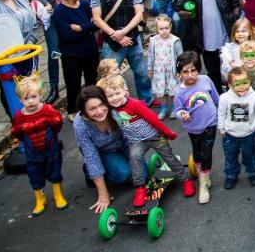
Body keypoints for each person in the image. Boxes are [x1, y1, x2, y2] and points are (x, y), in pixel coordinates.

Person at [97, 74, 194, 207]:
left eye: (117, 93)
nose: (114, 98)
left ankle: (185, 180)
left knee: (168, 157)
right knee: (134, 157)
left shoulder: (134, 105)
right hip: (137, 140)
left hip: (155, 136)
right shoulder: (110, 109)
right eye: (110, 96)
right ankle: (140, 188)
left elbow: (152, 119)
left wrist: (167, 132)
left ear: (125, 91)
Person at [91, 0, 155, 107]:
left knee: (141, 73)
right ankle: (112, 102)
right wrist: (115, 35)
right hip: (111, 41)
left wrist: (123, 32)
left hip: (132, 37)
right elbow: (96, 18)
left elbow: (139, 13)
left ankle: (146, 100)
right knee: (108, 77)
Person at [173, 0, 241, 92]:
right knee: (213, 73)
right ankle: (217, 100)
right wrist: (184, 13)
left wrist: (234, 19)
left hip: (226, 35)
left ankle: (232, 97)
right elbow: (178, 5)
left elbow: (236, 3)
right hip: (205, 38)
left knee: (232, 70)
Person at [11, 74, 67, 215]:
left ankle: (58, 194)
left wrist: (51, 138)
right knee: (35, 175)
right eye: (26, 98)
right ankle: (40, 198)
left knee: (55, 170)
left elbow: (57, 123)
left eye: (34, 97)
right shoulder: (19, 116)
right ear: (20, 100)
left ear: (40, 95)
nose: (30, 101)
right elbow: (16, 132)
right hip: (33, 153)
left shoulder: (47, 111)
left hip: (50, 148)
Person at [73, 86, 130, 213]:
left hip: (121, 144)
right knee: (123, 174)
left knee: (143, 172)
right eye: (92, 109)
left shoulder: (114, 107)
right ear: (84, 111)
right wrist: (104, 196)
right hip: (101, 151)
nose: (99, 111)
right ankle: (89, 173)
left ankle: (117, 163)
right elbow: (91, 157)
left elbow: (132, 127)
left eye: (101, 105)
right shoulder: (80, 124)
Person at [174, 51, 220, 204]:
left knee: (207, 152)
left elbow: (215, 98)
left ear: (198, 70)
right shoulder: (180, 92)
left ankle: (203, 185)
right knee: (197, 153)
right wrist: (183, 114)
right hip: (193, 127)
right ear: (180, 73)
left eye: (193, 70)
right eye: (185, 71)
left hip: (210, 123)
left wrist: (221, 116)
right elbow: (178, 110)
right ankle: (203, 174)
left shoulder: (206, 80)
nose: (190, 74)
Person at [52, 0, 99, 115]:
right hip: (71, 55)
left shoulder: (85, 4)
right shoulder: (59, 12)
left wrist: (80, 28)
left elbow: (96, 22)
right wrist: (87, 28)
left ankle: (93, 107)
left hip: (90, 51)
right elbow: (68, 35)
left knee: (92, 81)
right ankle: (73, 111)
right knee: (73, 85)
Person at [219, 66, 255, 189]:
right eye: (237, 84)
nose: (242, 87)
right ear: (230, 85)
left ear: (249, 82)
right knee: (230, 157)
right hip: (230, 135)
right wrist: (221, 128)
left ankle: (252, 173)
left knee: (250, 156)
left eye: (245, 83)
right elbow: (221, 113)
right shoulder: (224, 98)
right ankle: (231, 176)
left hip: (249, 135)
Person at [147, 15, 183, 119]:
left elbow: (180, 57)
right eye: (161, 29)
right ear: (157, 29)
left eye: (166, 28)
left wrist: (179, 70)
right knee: (162, 91)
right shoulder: (153, 40)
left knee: (172, 91)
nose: (164, 31)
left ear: (171, 26)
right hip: (159, 71)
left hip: (171, 71)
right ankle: (163, 108)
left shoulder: (175, 40)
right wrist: (150, 68)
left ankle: (174, 108)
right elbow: (150, 55)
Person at [220, 17, 253, 82]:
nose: (240, 34)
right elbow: (225, 63)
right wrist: (231, 63)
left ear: (249, 32)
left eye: (243, 31)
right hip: (234, 79)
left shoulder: (252, 46)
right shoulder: (229, 48)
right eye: (237, 31)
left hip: (249, 78)